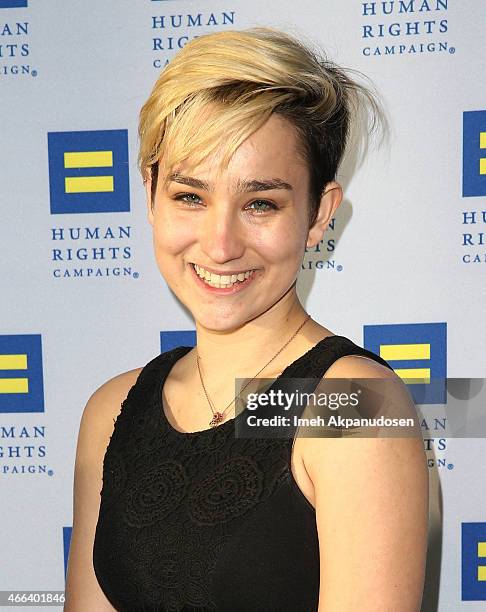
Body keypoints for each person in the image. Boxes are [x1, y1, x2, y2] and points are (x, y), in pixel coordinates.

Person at [64, 27, 429, 611]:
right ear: (150, 193)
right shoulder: (112, 409)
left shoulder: (355, 406)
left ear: (318, 214)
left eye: (261, 202)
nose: (221, 243)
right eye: (191, 196)